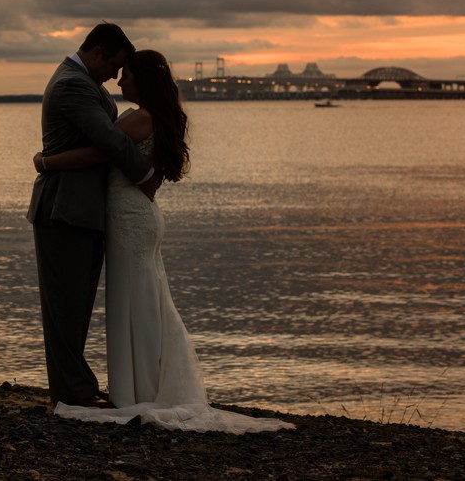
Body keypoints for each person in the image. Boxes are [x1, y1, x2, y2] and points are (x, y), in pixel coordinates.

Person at [34, 50, 294, 433]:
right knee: (146, 299)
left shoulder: (140, 118)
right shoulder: (156, 117)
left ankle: (141, 389)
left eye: (127, 75)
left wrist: (46, 162)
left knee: (136, 300)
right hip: (140, 217)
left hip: (129, 221)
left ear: (143, 80)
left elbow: (96, 152)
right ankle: (145, 384)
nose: (120, 82)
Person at [27, 23, 161, 408]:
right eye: (115, 65)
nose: (116, 77)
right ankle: (72, 394)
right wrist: (147, 173)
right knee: (65, 307)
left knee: (77, 304)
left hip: (83, 209)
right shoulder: (73, 84)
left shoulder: (87, 84)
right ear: (98, 51)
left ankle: (77, 388)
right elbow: (108, 140)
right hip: (64, 207)